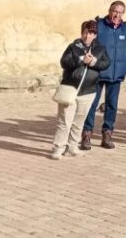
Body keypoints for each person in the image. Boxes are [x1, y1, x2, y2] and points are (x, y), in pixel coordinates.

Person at [51, 20, 110, 159]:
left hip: (89, 90)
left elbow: (106, 63)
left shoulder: (100, 49)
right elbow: (64, 62)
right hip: (71, 88)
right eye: (84, 32)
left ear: (95, 35)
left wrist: (94, 62)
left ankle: (72, 147)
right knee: (64, 121)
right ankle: (58, 147)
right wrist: (81, 59)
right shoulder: (73, 47)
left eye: (90, 33)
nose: (86, 35)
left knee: (79, 120)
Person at [80, 0, 126, 151]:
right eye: (114, 11)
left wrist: (125, 67)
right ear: (109, 10)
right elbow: (87, 44)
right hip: (97, 72)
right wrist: (91, 64)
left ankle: (107, 134)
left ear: (123, 13)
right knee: (91, 104)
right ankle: (86, 134)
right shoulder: (99, 26)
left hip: (116, 75)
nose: (116, 14)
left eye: (120, 12)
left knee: (112, 105)